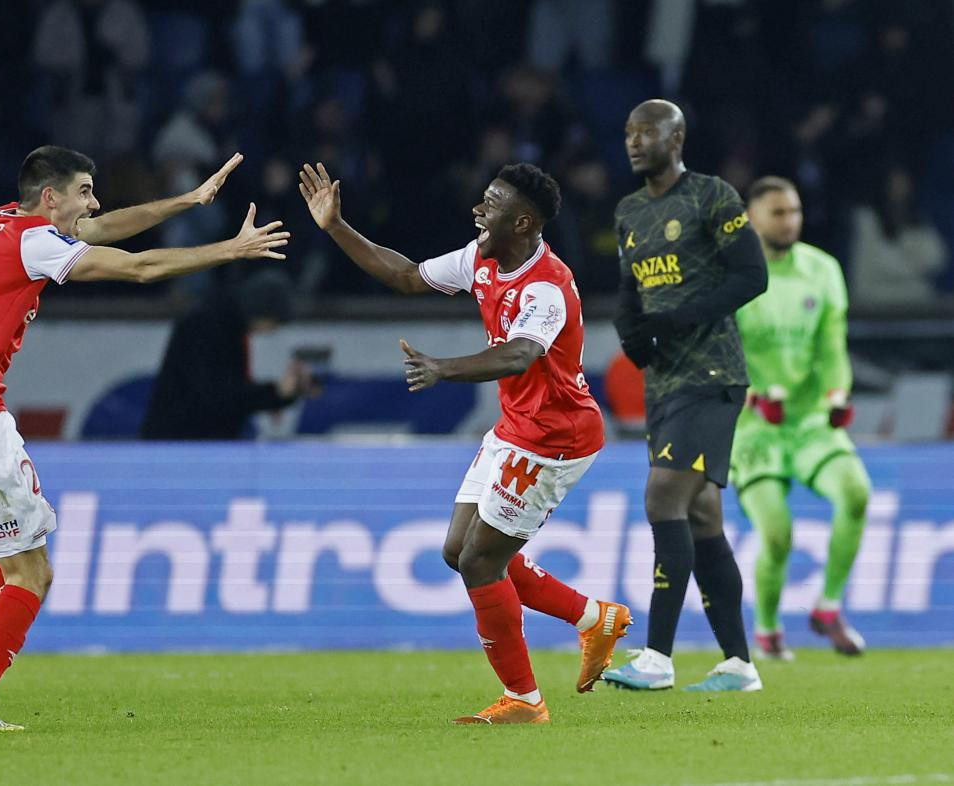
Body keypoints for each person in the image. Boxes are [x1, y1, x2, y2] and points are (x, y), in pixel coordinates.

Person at [0, 146, 288, 732]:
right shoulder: (35, 242)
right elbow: (137, 269)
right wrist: (229, 250)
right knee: (34, 575)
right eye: (84, 189)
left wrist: (187, 200)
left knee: (15, 564)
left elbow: (100, 228)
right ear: (51, 198)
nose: (95, 200)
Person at [299, 160, 631, 725]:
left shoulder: (547, 287)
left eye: (492, 203)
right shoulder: (480, 259)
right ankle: (592, 617)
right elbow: (405, 275)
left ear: (523, 221)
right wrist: (335, 226)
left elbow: (521, 354)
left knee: (481, 561)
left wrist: (442, 368)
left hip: (555, 439)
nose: (479, 210)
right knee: (459, 553)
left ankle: (525, 700)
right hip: (515, 428)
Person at [602, 100, 767, 692]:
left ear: (677, 137)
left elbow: (751, 274)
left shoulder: (711, 196)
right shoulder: (628, 213)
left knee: (662, 497)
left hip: (712, 377)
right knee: (701, 518)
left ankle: (657, 657)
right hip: (664, 384)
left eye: (646, 131)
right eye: (628, 132)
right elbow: (629, 291)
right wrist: (631, 335)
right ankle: (739, 664)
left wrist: (676, 322)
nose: (634, 141)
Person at [733, 176, 870, 659]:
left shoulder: (823, 269)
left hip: (810, 419)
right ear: (751, 218)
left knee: (856, 492)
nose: (789, 220)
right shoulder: (732, 274)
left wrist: (838, 393)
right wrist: (751, 395)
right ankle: (768, 633)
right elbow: (720, 351)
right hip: (753, 427)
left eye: (794, 211)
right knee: (777, 532)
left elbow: (833, 345)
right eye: (778, 213)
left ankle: (828, 607)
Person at [140, 269, 312, 440]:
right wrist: (275, 393)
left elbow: (227, 391)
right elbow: (219, 396)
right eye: (273, 323)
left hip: (193, 441)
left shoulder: (224, 324)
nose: (271, 331)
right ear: (262, 311)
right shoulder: (206, 326)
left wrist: (279, 395)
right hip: (181, 443)